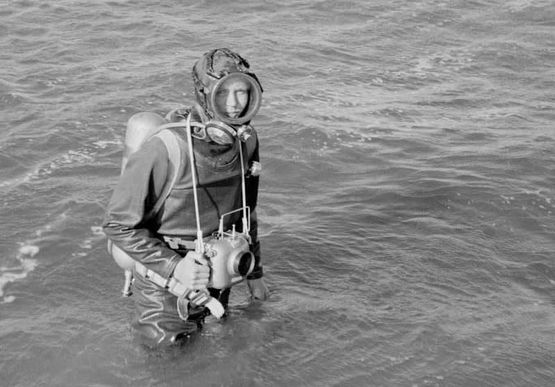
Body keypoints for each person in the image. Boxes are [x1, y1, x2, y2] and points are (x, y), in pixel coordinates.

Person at [103, 48, 269, 346]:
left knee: (214, 358)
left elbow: (248, 212)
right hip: (165, 286)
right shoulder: (167, 147)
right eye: (224, 93)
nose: (233, 105)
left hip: (222, 270)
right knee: (166, 369)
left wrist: (255, 273)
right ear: (206, 95)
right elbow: (117, 225)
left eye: (242, 92)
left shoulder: (246, 140)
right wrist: (175, 266)